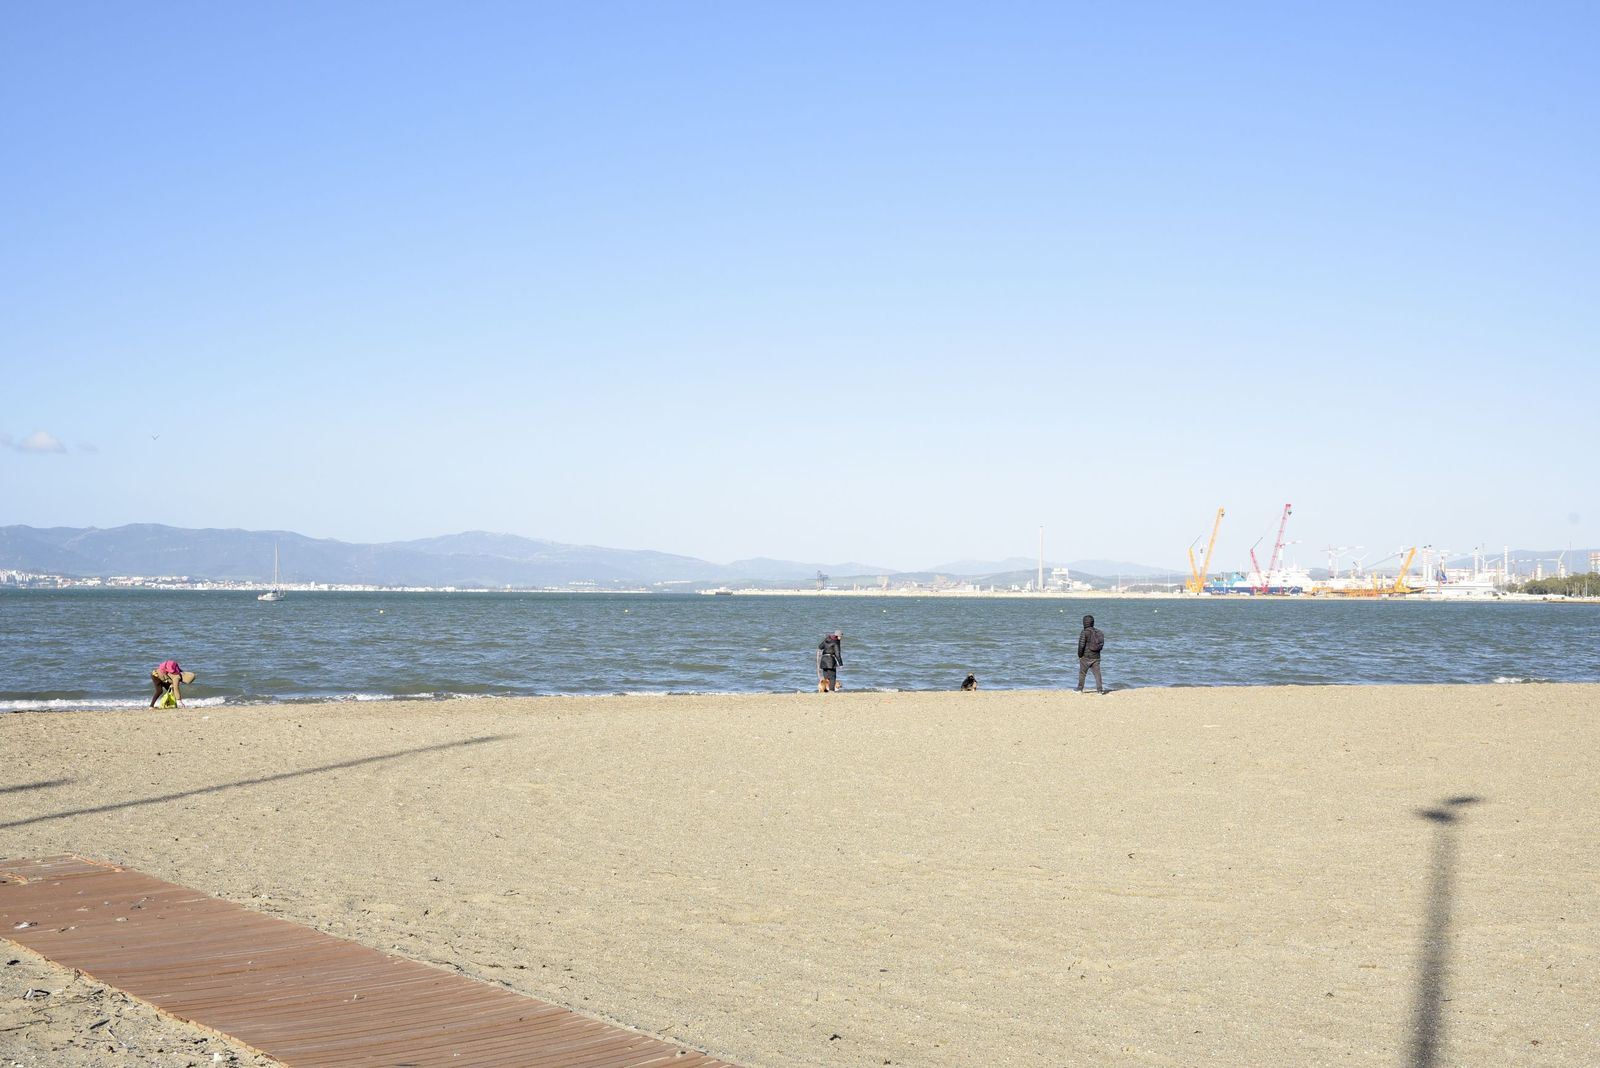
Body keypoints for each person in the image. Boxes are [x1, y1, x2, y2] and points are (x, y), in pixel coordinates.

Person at [1076, 615, 1107, 693]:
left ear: (1084, 623)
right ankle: (1100, 690)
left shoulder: (1084, 632)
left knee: (1082, 673)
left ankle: (1079, 689)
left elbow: (1081, 646)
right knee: (1097, 674)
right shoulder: (1099, 632)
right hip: (1096, 657)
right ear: (1092, 623)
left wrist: (1080, 655)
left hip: (1085, 657)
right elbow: (1101, 644)